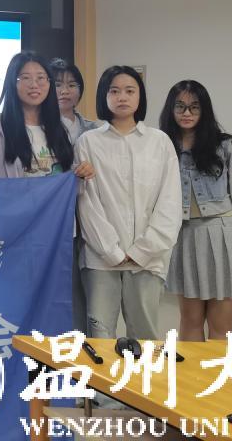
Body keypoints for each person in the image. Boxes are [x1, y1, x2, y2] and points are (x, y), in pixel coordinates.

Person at [0, 51, 93, 333]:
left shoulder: (61, 129)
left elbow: (68, 184)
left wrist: (82, 174)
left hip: (58, 237)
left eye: (42, 78)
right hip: (17, 238)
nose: (35, 85)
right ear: (12, 83)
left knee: (57, 309)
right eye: (25, 78)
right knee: (17, 308)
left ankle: (54, 361)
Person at [76, 65, 182, 340]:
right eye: (114, 91)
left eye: (129, 91)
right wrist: (110, 251)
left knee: (145, 335)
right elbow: (87, 203)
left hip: (148, 258)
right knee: (99, 334)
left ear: (140, 96)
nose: (122, 97)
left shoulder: (159, 142)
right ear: (104, 96)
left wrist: (144, 250)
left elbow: (170, 202)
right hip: (101, 259)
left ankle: (142, 374)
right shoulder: (88, 142)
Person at [160, 80, 232, 341]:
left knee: (221, 327)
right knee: (190, 322)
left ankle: (218, 369)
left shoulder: (226, 146)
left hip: (223, 236)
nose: (187, 113)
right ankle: (192, 370)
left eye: (194, 107)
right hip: (185, 237)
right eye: (180, 106)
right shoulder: (162, 147)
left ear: (204, 109)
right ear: (171, 110)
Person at [49, 57, 99, 144]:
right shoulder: (39, 127)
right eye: (57, 85)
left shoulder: (92, 129)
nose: (64, 91)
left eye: (71, 85)